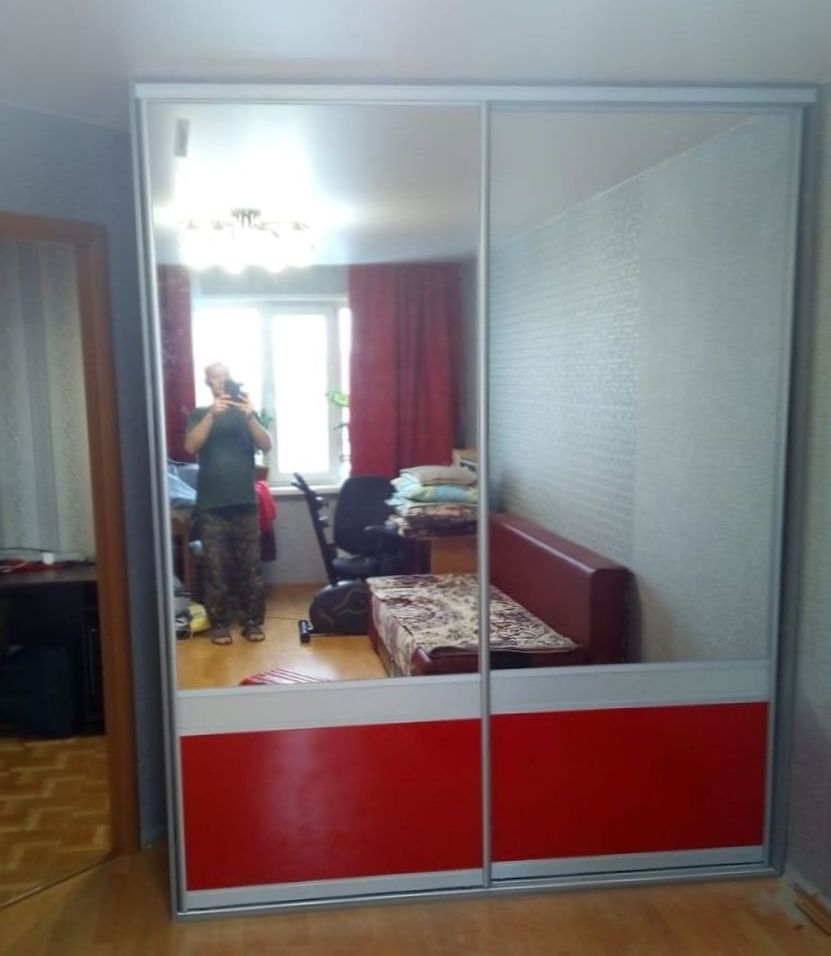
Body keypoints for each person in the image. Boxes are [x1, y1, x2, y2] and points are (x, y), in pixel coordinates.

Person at [184, 362, 272, 645]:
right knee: (216, 569)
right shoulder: (199, 414)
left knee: (250, 568)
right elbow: (191, 446)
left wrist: (250, 416)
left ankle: (252, 622)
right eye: (216, 377)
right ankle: (219, 624)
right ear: (208, 383)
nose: (222, 380)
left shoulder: (246, 413)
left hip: (245, 504)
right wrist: (212, 415)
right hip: (211, 506)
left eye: (225, 376)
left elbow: (266, 444)